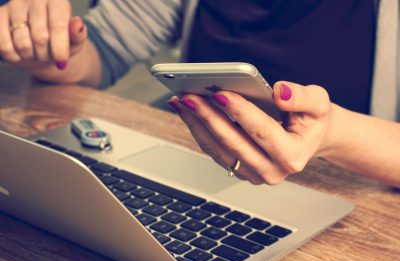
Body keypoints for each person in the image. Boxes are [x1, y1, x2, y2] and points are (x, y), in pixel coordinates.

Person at [0, 0, 399, 187]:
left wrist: (333, 134)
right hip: (194, 175)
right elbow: (103, 49)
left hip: (354, 201)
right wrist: (47, 44)